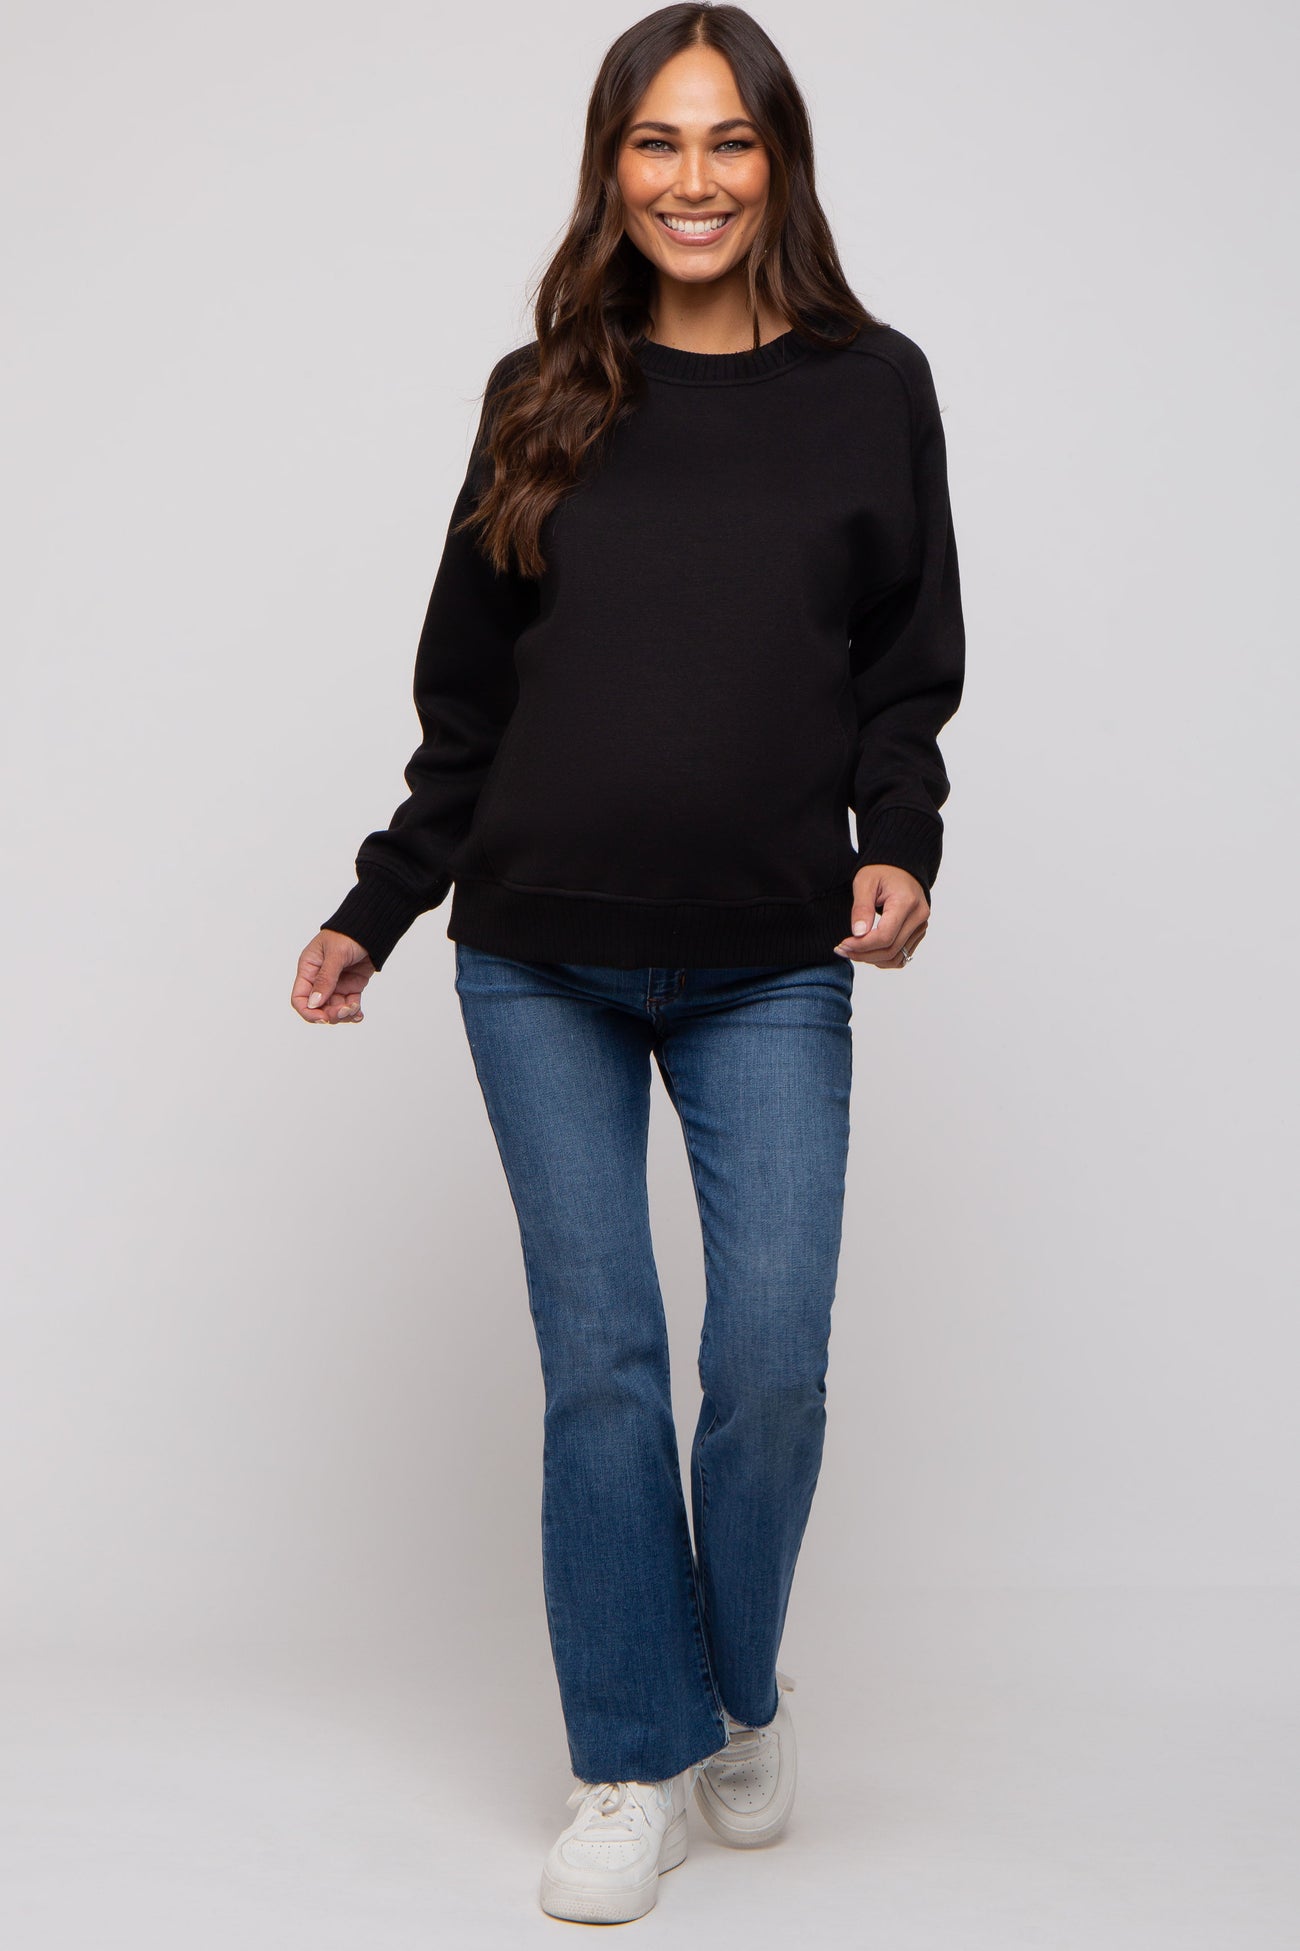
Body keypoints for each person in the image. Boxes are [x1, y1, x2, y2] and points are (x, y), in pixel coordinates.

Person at [291, 2, 965, 1926]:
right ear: (612, 167)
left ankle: (735, 1694)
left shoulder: (874, 386)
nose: (694, 178)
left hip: (771, 957)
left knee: (768, 1367)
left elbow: (908, 665)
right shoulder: (541, 392)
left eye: (729, 140)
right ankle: (628, 1761)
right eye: (658, 142)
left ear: (780, 162)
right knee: (602, 1368)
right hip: (539, 959)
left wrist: (900, 842)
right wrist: (376, 904)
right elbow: (469, 696)